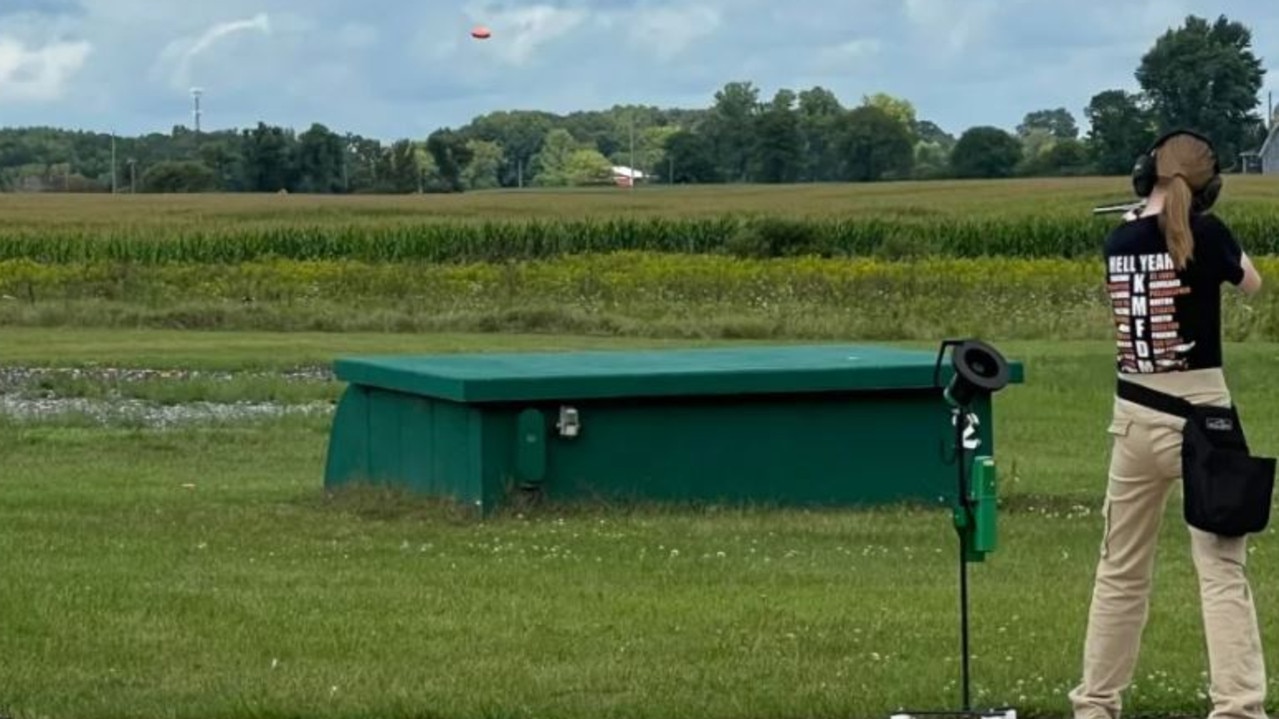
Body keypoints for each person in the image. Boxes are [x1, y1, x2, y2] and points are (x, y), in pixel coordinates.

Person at [1069, 130, 1267, 719]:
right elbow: (1252, 283)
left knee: (1120, 570)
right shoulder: (1208, 234)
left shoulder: (1118, 239)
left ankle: (1096, 704)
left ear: (1144, 174)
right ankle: (1238, 707)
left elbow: (1148, 244)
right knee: (1222, 571)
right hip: (1205, 416)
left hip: (1133, 416)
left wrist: (1144, 220)